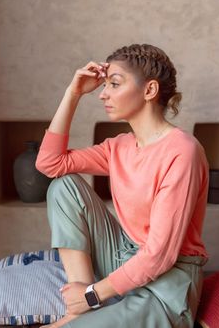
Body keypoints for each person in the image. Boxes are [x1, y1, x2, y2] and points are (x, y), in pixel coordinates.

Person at [36, 43, 209, 328]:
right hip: (124, 257)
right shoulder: (120, 147)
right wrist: (73, 93)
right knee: (63, 185)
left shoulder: (182, 151)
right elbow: (49, 164)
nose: (103, 94)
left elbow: (160, 256)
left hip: (168, 283)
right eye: (105, 85)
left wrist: (93, 295)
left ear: (150, 90)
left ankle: (86, 302)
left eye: (114, 84)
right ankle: (79, 309)